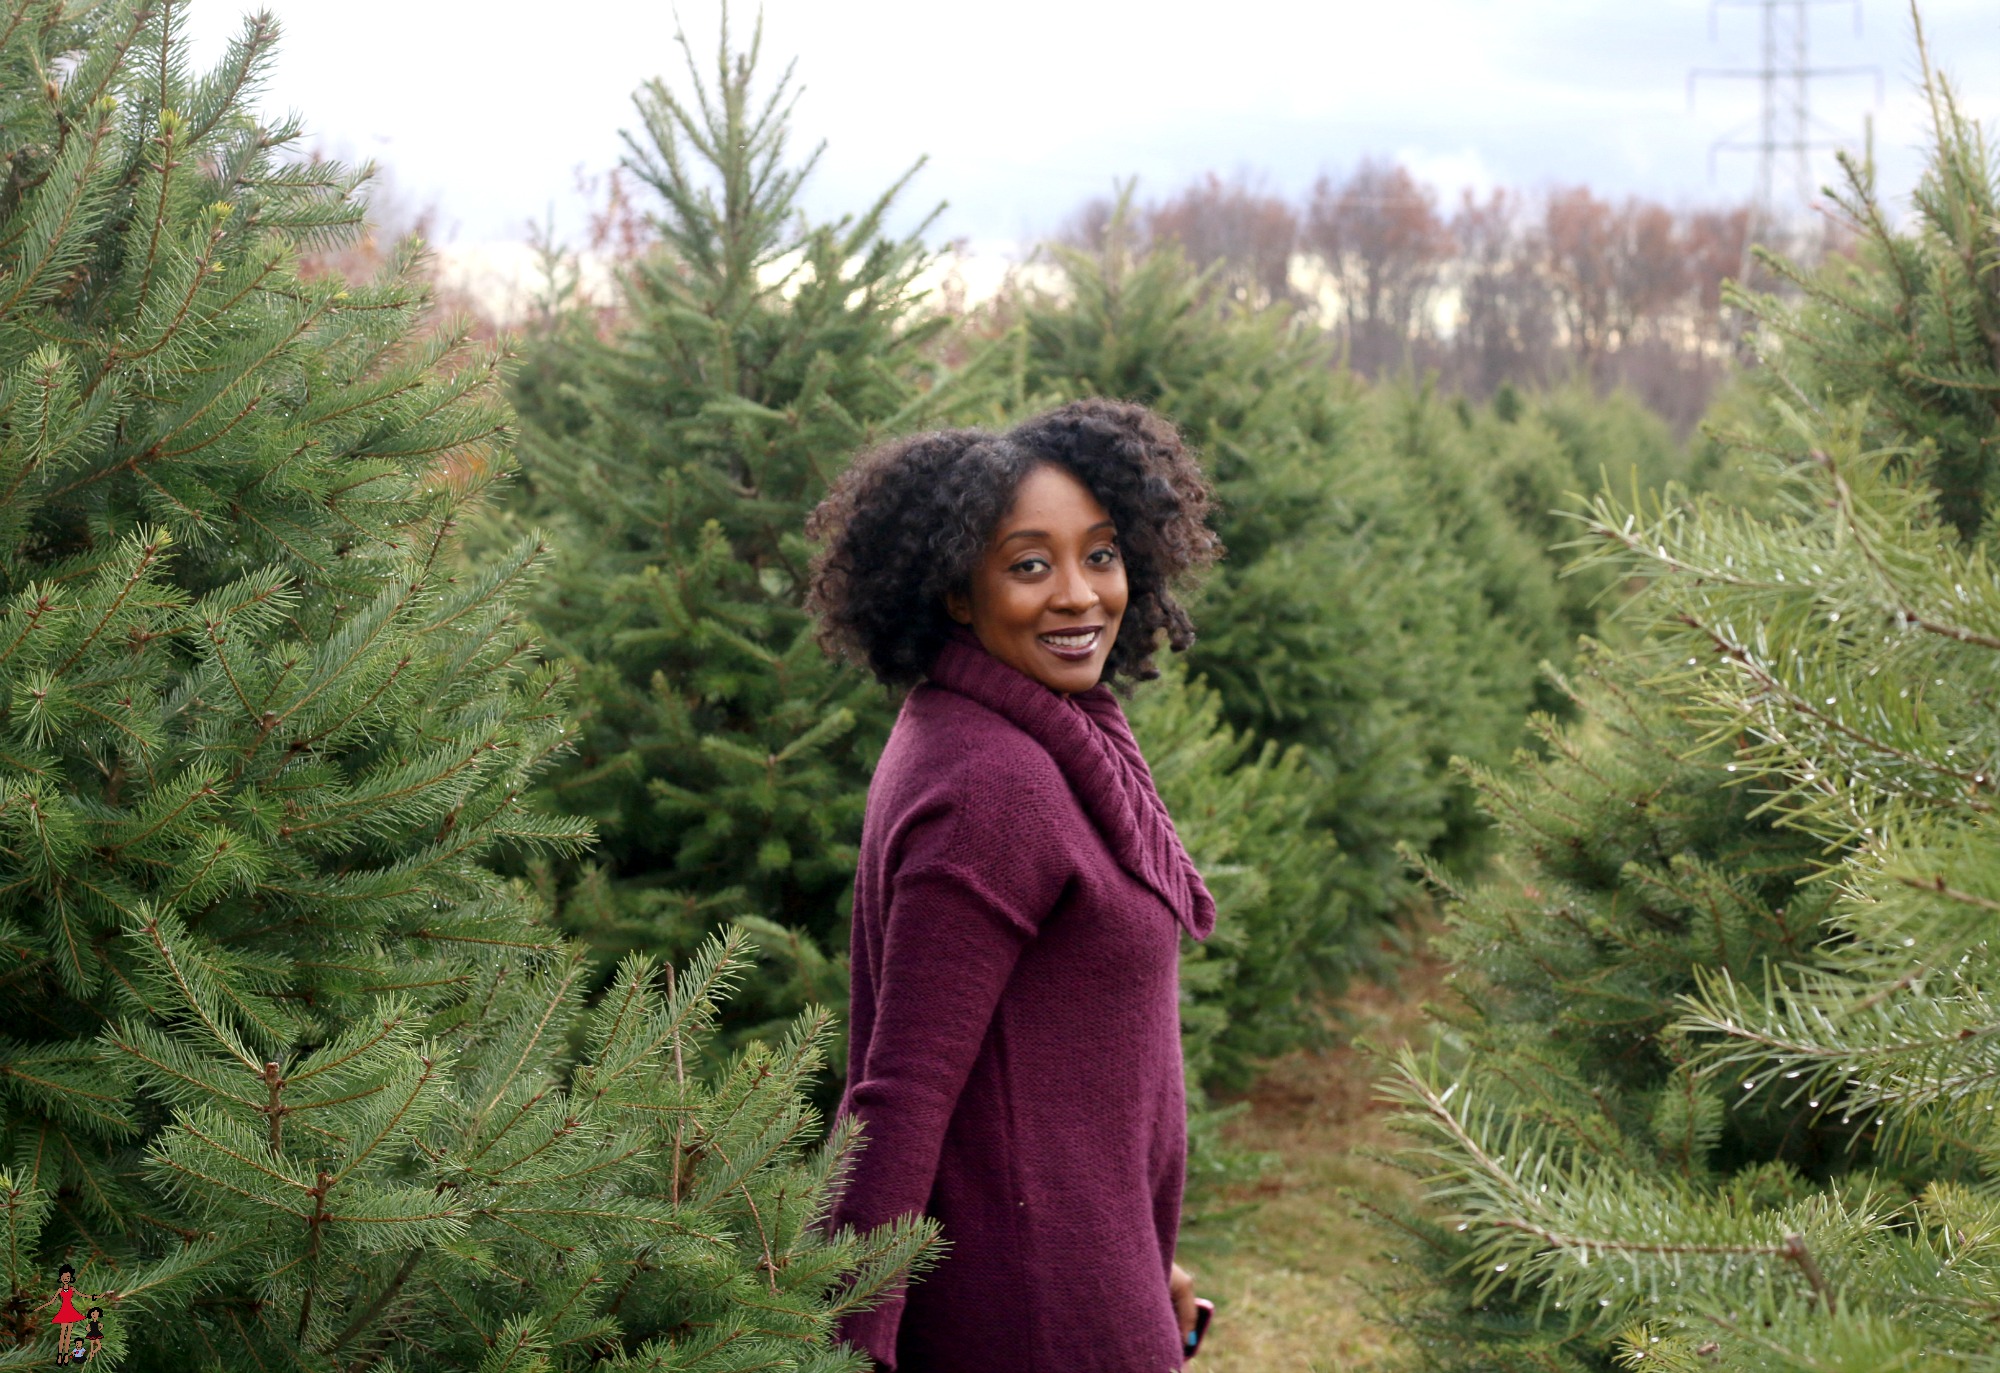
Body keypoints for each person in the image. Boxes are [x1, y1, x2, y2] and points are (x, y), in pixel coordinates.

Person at [806, 398, 1224, 1372]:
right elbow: (896, 1093)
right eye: (1029, 564)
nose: (1079, 594)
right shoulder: (993, 783)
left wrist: (1141, 1254)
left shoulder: (1029, 732)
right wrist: (844, 1340)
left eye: (1101, 553)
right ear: (958, 589)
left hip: (1087, 1270)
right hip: (1037, 1316)